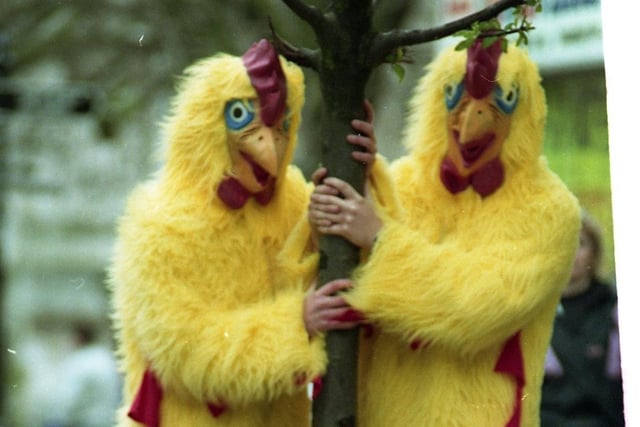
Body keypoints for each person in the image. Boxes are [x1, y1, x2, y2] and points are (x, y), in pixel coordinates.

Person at [308, 39, 581, 426]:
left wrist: (380, 238)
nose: (471, 123)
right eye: (456, 96)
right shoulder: (400, 181)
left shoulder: (550, 209)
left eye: (500, 101)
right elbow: (350, 285)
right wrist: (347, 195)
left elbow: (480, 306)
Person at [108, 39, 374, 427]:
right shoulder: (160, 221)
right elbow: (184, 353)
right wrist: (294, 323)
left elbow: (354, 289)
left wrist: (361, 183)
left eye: (283, 124)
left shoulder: (295, 202)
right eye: (239, 115)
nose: (271, 144)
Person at [540, 210, 625, 427]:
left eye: (579, 243)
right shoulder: (530, 315)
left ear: (595, 253)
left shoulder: (618, 309)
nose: (568, 253)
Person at [44, 322, 121, 427]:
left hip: (83, 421)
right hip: (107, 420)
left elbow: (69, 398)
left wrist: (56, 417)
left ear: (79, 338)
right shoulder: (105, 357)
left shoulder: (80, 361)